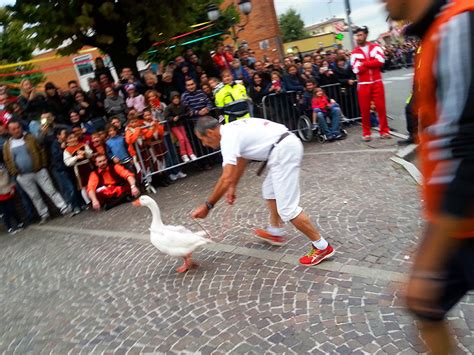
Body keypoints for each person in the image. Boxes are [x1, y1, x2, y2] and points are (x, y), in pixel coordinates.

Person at [384, 0, 474, 354]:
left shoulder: (459, 24)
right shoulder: (434, 34)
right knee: (426, 307)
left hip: (466, 215)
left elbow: (467, 149)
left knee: (426, 302)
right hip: (459, 223)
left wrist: (428, 257)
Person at [191, 116, 335, 266]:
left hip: (283, 151)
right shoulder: (231, 129)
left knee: (287, 210)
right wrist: (233, 186)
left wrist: (208, 206)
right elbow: (241, 160)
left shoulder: (227, 138)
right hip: (283, 147)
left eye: (202, 139)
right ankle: (276, 232)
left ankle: (322, 247)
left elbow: (225, 177)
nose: (204, 144)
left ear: (210, 133)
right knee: (269, 190)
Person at [3, 120, 70, 224]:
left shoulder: (30, 137)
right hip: (23, 175)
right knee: (35, 196)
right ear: (9, 131)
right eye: (14, 129)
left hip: (39, 170)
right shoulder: (7, 145)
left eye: (18, 127)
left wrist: (42, 164)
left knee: (51, 190)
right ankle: (44, 214)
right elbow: (7, 160)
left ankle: (64, 208)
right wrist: (14, 172)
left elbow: (41, 150)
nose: (17, 130)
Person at [350, 26, 390, 141]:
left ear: (366, 35)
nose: (358, 37)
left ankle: (384, 131)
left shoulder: (376, 47)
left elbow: (381, 61)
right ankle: (366, 133)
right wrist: (371, 63)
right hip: (363, 84)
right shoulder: (354, 53)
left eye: (360, 35)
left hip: (377, 82)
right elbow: (356, 70)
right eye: (357, 35)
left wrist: (364, 64)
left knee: (381, 108)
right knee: (364, 109)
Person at [50, 128, 84, 215]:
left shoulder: (69, 142)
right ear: (58, 136)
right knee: (70, 188)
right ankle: (74, 206)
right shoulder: (55, 144)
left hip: (70, 168)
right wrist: (62, 149)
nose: (66, 135)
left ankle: (80, 203)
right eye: (64, 134)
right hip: (60, 169)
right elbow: (56, 158)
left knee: (75, 186)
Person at [164, 92, 196, 163]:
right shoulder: (169, 107)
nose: (176, 100)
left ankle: (191, 153)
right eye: (174, 98)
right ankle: (183, 154)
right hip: (174, 126)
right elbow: (166, 117)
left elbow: (187, 111)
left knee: (185, 139)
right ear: (171, 99)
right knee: (181, 139)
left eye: (177, 98)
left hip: (181, 124)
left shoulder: (182, 105)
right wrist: (172, 118)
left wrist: (189, 113)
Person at [0, 163, 24, 233]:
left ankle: (19, 222)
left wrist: (12, 187)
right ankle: (9, 227)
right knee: (5, 212)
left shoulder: (3, 167)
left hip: (7, 191)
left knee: (12, 209)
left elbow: (9, 178)